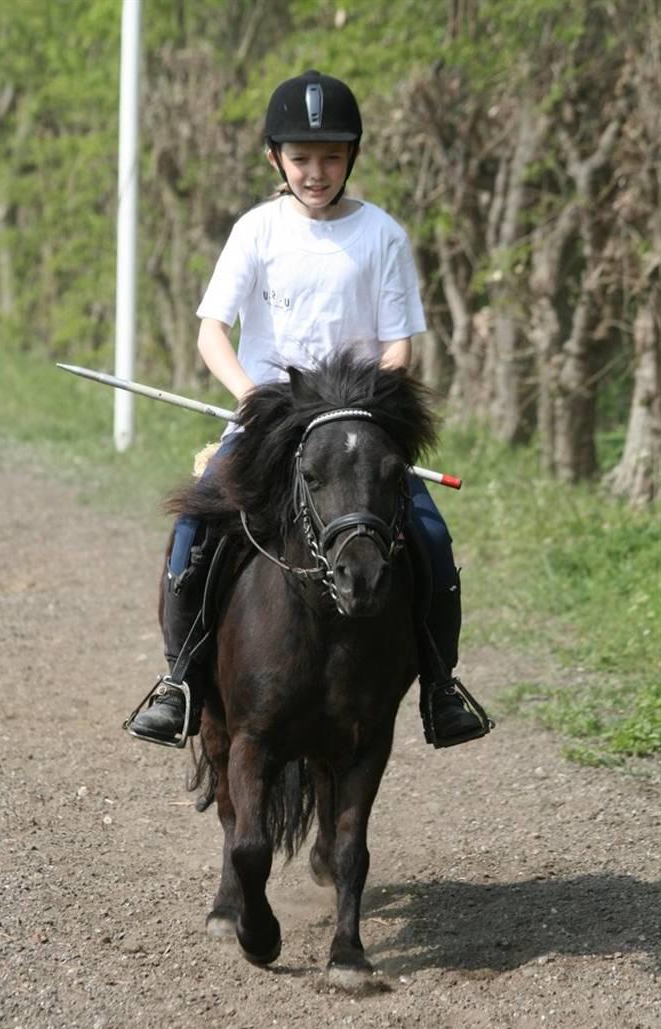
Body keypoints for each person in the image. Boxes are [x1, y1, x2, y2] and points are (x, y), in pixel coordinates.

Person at [128, 70, 490, 750]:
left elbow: (398, 346)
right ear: (275, 159)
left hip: (353, 426)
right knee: (191, 532)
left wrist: (367, 412)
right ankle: (179, 681)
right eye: (301, 158)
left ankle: (441, 689)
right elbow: (212, 330)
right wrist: (248, 394)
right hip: (269, 423)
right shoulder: (257, 230)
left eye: (330, 156)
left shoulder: (382, 234)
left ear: (352, 156)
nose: (316, 172)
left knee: (432, 540)